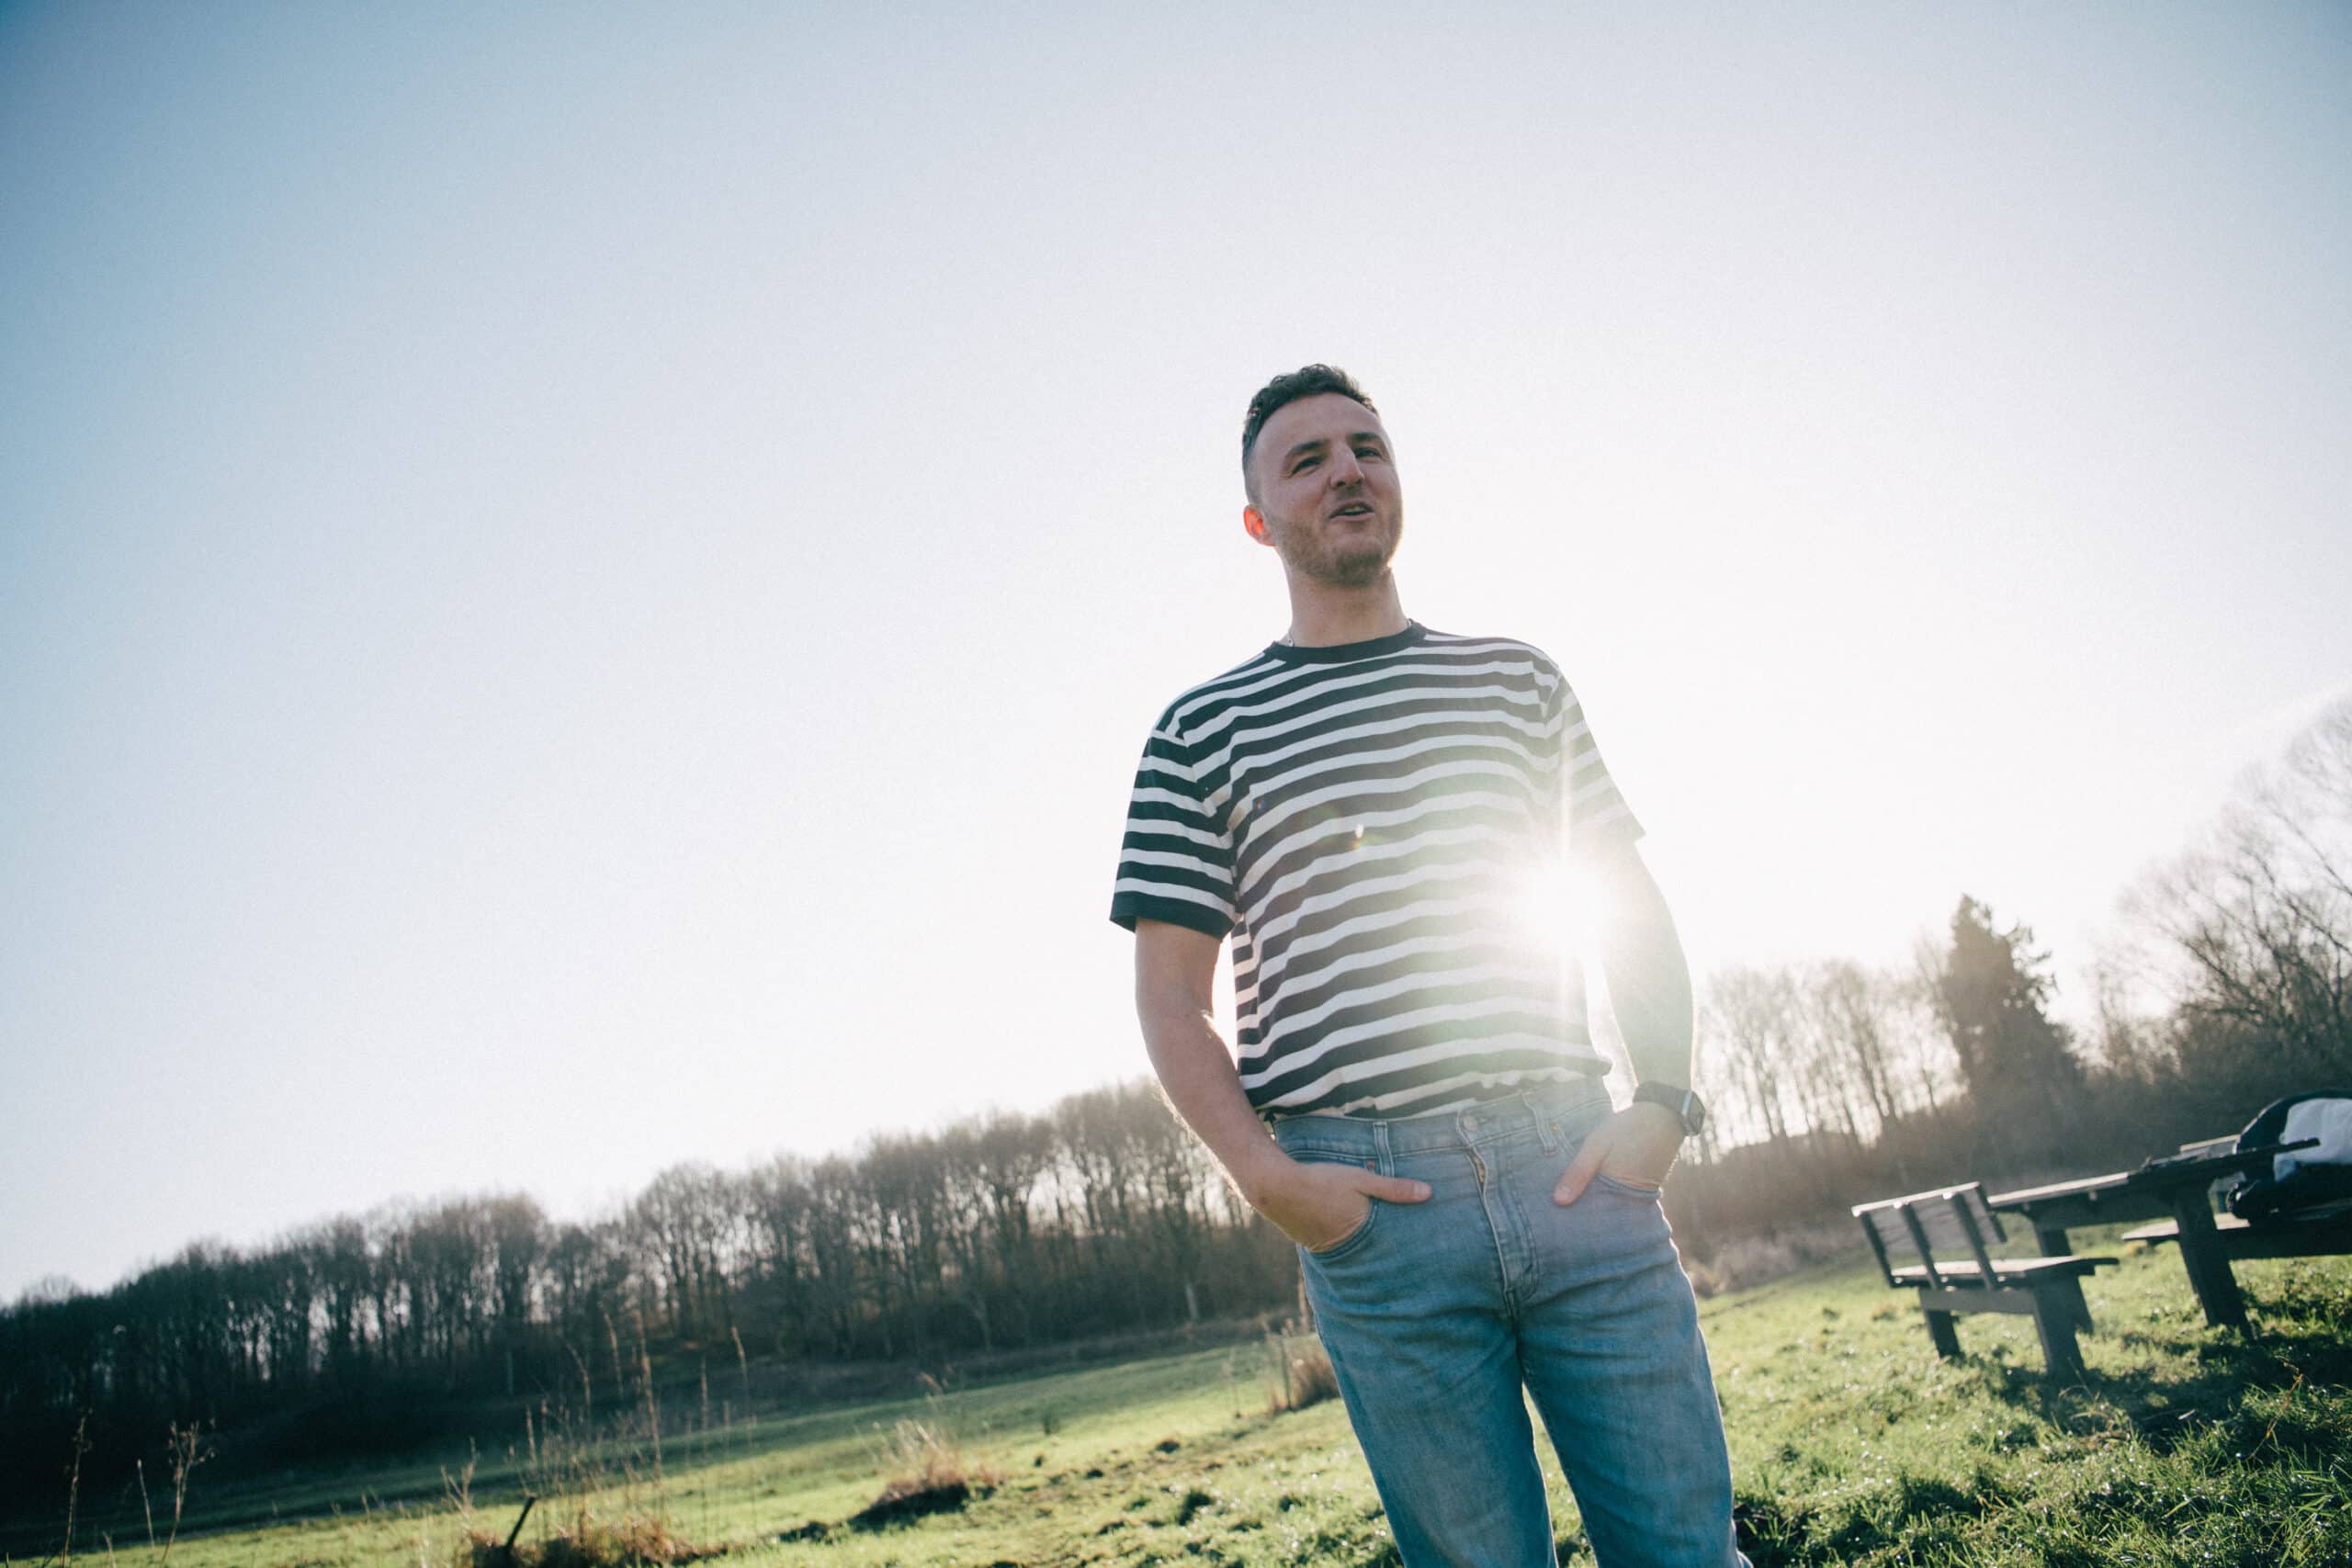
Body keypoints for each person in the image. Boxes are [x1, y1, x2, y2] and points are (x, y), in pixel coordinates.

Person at [1109, 365, 1746, 1568]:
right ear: (1258, 521)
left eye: (1368, 448)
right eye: (1306, 460)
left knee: (1685, 1554)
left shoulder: (1517, 679)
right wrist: (1267, 1177)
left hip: (1578, 1171)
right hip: (1374, 1213)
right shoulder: (1200, 732)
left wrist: (1663, 1102)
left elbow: (1624, 899)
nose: (1347, 471)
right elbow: (1170, 995)